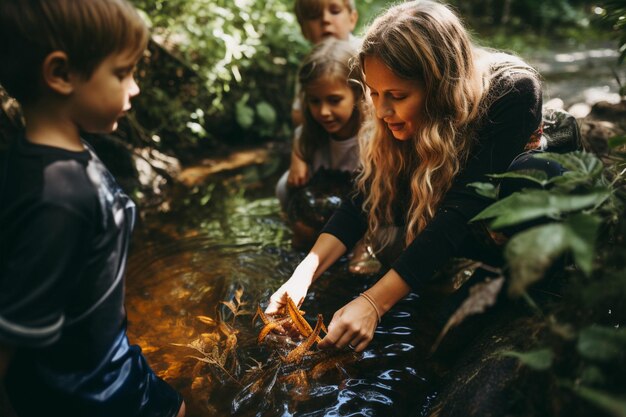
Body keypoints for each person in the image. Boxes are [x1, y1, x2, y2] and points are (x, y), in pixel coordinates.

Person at [266, 0, 543, 352]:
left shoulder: (514, 91)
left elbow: (462, 209)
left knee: (533, 175)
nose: (381, 111)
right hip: (452, 207)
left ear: (439, 88)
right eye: (374, 94)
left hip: (494, 212)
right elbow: (364, 196)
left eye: (396, 96)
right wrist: (302, 276)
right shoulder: (394, 116)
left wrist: (373, 303)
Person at [0, 1, 185, 416]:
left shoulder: (43, 159)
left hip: (109, 362)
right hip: (91, 392)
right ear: (61, 74)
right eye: (122, 73)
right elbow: (13, 329)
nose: (135, 88)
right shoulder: (59, 197)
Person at [291, 0, 360, 127]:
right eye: (313, 15)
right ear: (303, 29)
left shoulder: (367, 56)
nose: (325, 19)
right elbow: (297, 114)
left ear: (352, 19)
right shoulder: (311, 66)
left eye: (335, 11)